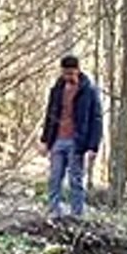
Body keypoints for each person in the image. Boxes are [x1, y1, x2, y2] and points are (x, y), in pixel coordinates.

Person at [40, 55, 103, 219]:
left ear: (78, 70)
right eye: (65, 73)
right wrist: (45, 140)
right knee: (54, 178)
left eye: (71, 73)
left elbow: (96, 119)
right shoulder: (57, 90)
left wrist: (93, 146)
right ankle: (53, 211)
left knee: (76, 179)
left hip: (77, 141)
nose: (68, 77)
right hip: (57, 140)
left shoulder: (89, 90)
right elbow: (50, 115)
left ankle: (77, 214)